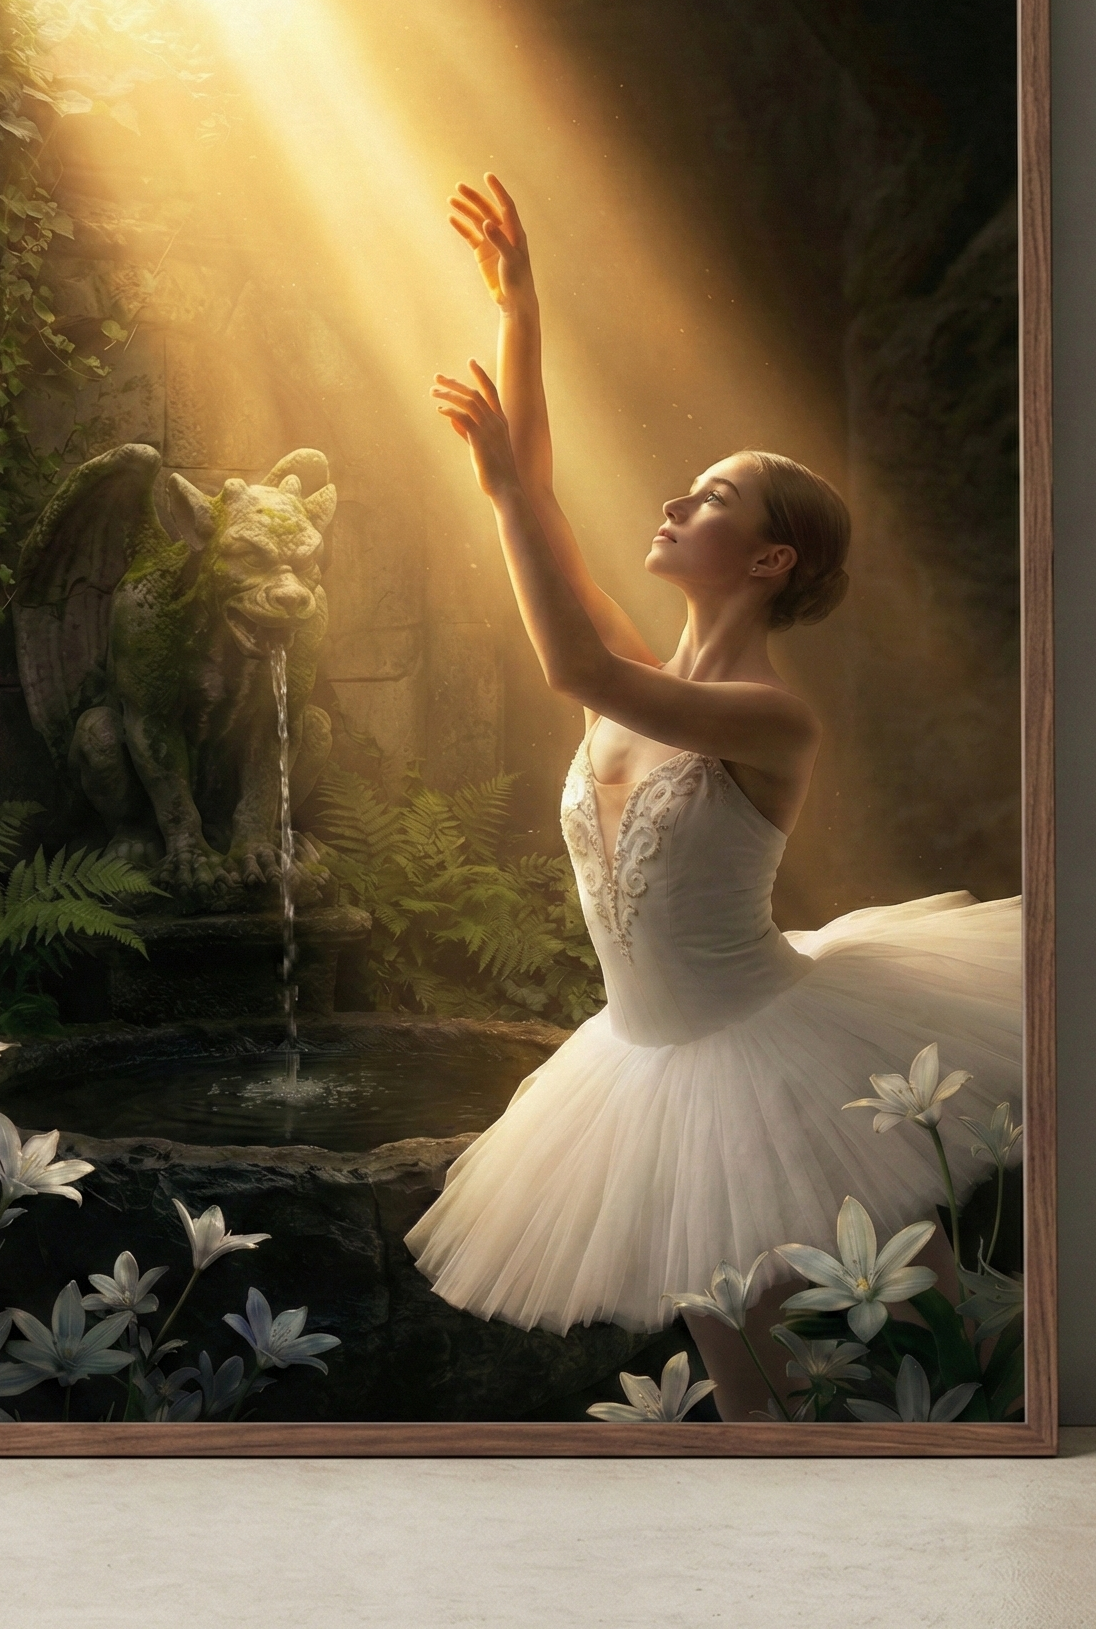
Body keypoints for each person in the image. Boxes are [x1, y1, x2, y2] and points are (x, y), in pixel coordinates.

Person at [402, 174, 1023, 1424]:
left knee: (927, 1326)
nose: (675, 502)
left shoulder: (767, 717)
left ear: (767, 558)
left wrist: (514, 495)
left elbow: (562, 648)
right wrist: (523, 306)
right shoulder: (645, 680)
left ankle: (1004, 1465)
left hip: (765, 1045)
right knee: (742, 1370)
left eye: (713, 497)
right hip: (640, 1067)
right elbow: (526, 489)